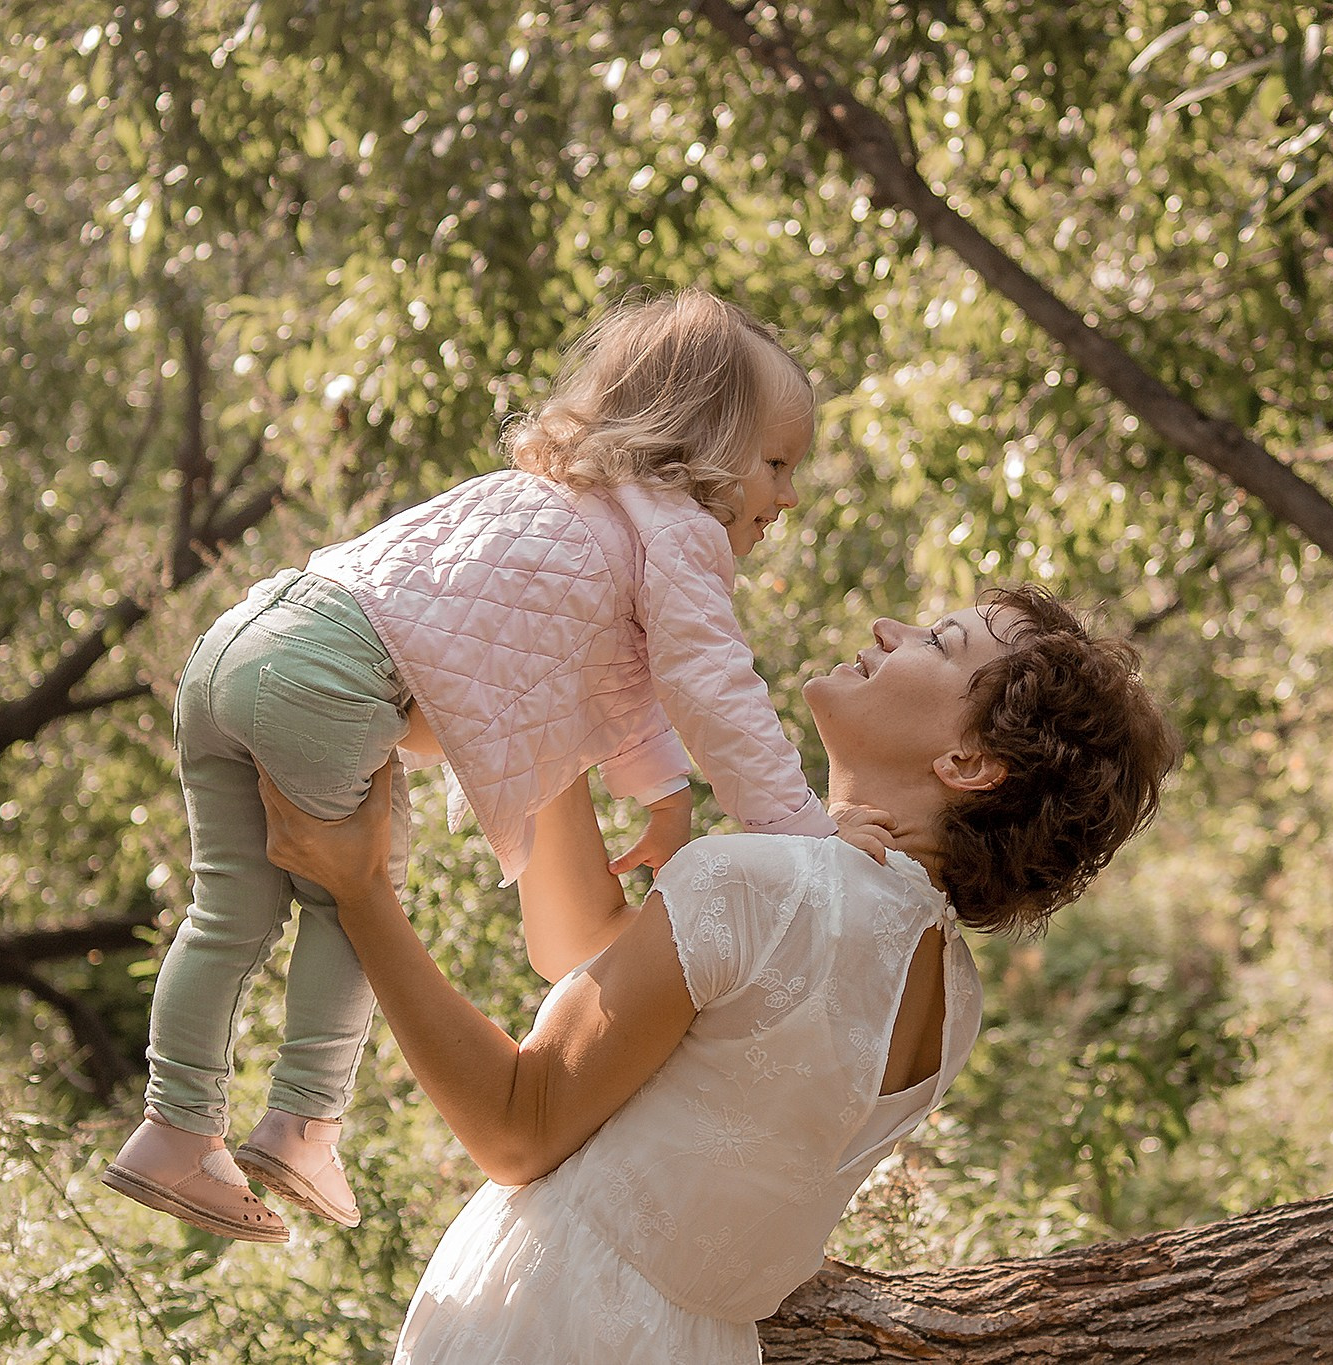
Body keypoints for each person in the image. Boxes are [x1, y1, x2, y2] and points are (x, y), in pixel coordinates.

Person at [258, 586, 1179, 1362]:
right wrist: (560, 690)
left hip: (547, 1323)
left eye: (939, 643)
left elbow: (516, 1126)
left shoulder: (762, 884)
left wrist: (361, 888)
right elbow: (584, 949)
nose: (891, 631)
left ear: (968, 762)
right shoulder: (950, 993)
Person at [103, 291, 840, 1244]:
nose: (788, 495)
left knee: (227, 910)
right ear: (700, 445)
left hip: (244, 643)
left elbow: (614, 667)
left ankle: (171, 1129)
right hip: (335, 679)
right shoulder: (682, 530)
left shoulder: (562, 502)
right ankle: (302, 1121)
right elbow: (709, 681)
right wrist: (799, 832)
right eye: (777, 464)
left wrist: (661, 792)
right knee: (350, 890)